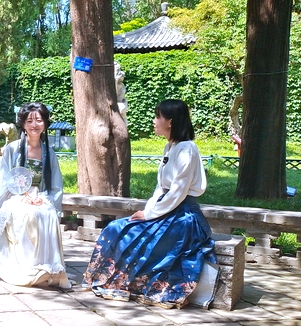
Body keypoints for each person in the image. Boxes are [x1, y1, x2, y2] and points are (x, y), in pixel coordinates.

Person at [82, 99, 217, 309]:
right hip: (165, 210)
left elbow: (178, 192)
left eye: (157, 116)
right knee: (115, 227)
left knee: (134, 234)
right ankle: (116, 282)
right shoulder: (170, 147)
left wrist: (150, 215)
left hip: (182, 217)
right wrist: (148, 210)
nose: (154, 121)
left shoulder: (187, 149)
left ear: (170, 121)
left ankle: (130, 284)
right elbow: (161, 188)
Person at [0, 102, 70, 288]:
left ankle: (47, 265)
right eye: (29, 121)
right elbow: (3, 179)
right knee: (28, 214)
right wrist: (22, 195)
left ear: (45, 123)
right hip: (14, 196)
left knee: (47, 213)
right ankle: (26, 266)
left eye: (39, 120)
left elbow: (56, 186)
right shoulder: (12, 149)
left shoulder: (49, 153)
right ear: (23, 124)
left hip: (40, 195)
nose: (34, 125)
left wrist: (44, 199)